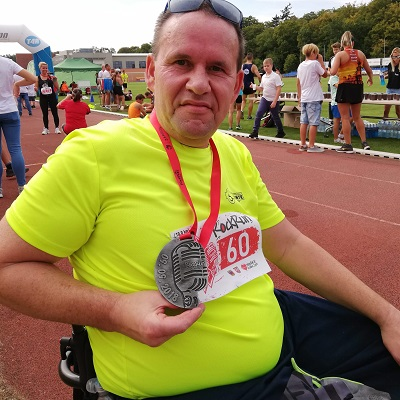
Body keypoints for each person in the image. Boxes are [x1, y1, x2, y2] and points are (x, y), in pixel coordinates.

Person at [0, 3, 399, 400]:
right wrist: (114, 311)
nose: (198, 83)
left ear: (237, 83)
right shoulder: (94, 154)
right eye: (182, 62)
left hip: (280, 329)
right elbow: (6, 266)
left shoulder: (232, 151)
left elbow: (288, 244)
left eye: (217, 68)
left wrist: (387, 316)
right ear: (152, 72)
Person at [330, 31, 374, 153]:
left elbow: (333, 72)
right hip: (357, 86)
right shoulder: (360, 54)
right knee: (357, 116)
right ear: (353, 43)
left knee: (345, 117)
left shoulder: (340, 55)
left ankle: (348, 144)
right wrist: (370, 78)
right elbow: (369, 70)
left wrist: (326, 71)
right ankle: (364, 142)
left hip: (344, 86)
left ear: (342, 44)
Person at [0, 56, 35, 198]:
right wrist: (17, 84)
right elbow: (32, 79)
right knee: (15, 149)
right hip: (10, 109)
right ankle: (22, 186)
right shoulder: (7, 62)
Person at [296, 43, 327, 152]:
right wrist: (321, 62)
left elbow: (298, 83)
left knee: (304, 122)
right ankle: (311, 146)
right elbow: (325, 74)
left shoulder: (300, 65)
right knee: (314, 122)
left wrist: (299, 97)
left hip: (304, 97)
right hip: (314, 97)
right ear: (313, 53)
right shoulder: (315, 64)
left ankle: (303, 144)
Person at [249, 57, 285, 139]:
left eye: (267, 66)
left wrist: (275, 101)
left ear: (271, 66)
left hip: (273, 99)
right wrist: (254, 86)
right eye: (264, 66)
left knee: (275, 116)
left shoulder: (275, 76)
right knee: (259, 113)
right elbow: (261, 88)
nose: (266, 67)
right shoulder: (264, 77)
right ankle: (255, 131)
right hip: (265, 98)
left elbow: (278, 89)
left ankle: (281, 131)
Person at [36, 61, 61, 135]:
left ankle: (57, 128)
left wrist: (55, 80)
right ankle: (46, 128)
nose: (45, 69)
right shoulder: (37, 78)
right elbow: (36, 87)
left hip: (52, 97)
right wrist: (35, 89)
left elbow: (57, 87)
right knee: (45, 113)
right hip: (43, 97)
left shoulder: (51, 77)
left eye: (46, 68)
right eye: (43, 68)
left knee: (55, 112)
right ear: (40, 68)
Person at [240, 52, 261, 120]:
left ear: (246, 58)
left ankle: (241, 111)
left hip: (243, 85)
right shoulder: (253, 66)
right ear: (252, 58)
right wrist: (260, 82)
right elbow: (258, 76)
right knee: (251, 101)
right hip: (251, 85)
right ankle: (249, 116)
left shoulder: (242, 66)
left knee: (243, 100)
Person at [383, 47, 400, 119]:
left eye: (396, 56)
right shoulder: (390, 65)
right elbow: (391, 75)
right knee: (386, 110)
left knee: (398, 111)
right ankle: (384, 124)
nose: (394, 58)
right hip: (389, 89)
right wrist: (385, 76)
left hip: (398, 89)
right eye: (393, 56)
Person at [327, 42, 341, 121]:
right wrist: (333, 73)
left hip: (340, 80)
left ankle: (339, 118)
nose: (335, 51)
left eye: (336, 49)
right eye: (334, 50)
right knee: (332, 100)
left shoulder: (342, 57)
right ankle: (331, 118)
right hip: (332, 81)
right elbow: (329, 71)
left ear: (340, 49)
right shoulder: (332, 59)